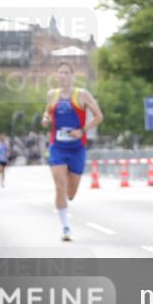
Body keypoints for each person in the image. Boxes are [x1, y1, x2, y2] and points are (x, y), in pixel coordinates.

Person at [41, 61, 104, 241]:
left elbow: (99, 116)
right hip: (57, 147)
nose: (63, 76)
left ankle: (65, 205)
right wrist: (45, 119)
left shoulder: (82, 94)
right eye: (60, 73)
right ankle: (65, 228)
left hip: (77, 148)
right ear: (56, 75)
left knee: (71, 193)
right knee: (59, 187)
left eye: (66, 73)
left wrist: (82, 131)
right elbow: (47, 113)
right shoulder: (52, 95)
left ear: (72, 75)